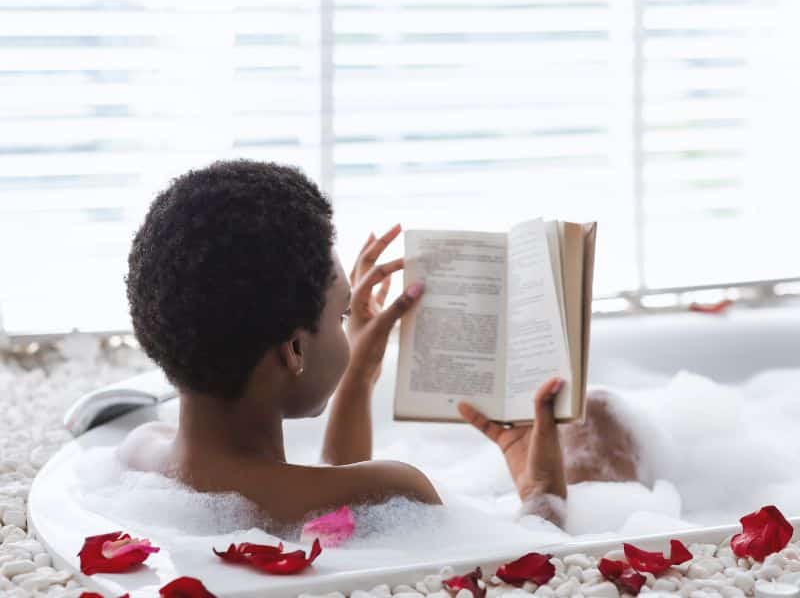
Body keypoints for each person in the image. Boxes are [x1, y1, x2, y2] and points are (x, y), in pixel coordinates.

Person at [119, 159, 638, 532]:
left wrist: (361, 372)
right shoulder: (395, 491)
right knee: (600, 416)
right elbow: (524, 569)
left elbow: (320, 490)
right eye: (342, 314)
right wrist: (542, 493)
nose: (349, 330)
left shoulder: (141, 451)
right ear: (294, 351)